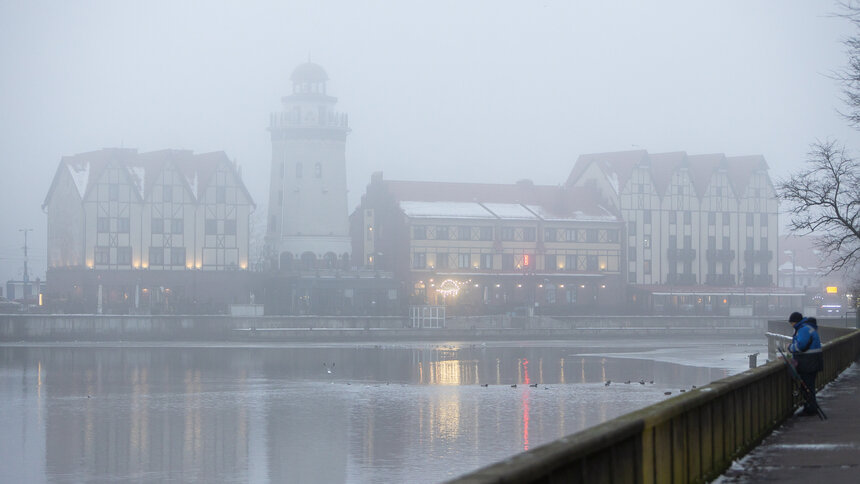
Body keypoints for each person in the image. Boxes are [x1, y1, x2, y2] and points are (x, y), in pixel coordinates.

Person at [787, 311, 823, 416]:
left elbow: (801, 346)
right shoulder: (807, 328)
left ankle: (810, 408)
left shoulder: (803, 330)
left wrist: (790, 348)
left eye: (791, 323)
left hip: (808, 362)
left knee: (807, 386)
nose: (791, 325)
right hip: (812, 361)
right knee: (809, 386)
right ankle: (811, 406)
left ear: (795, 322)